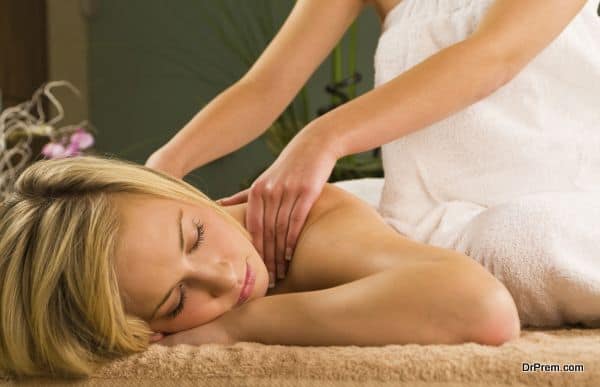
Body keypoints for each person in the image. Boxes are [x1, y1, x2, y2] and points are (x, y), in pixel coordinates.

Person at [145, 0, 595, 294]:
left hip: (558, 196)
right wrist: (162, 168)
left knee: (519, 239)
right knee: (304, 220)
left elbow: (493, 56)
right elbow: (264, 87)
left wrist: (323, 137)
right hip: (428, 219)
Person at [0, 155, 520, 379]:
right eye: (178, 300)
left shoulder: (295, 230)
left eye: (197, 236)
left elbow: (483, 310)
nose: (228, 276)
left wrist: (235, 326)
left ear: (178, 188)